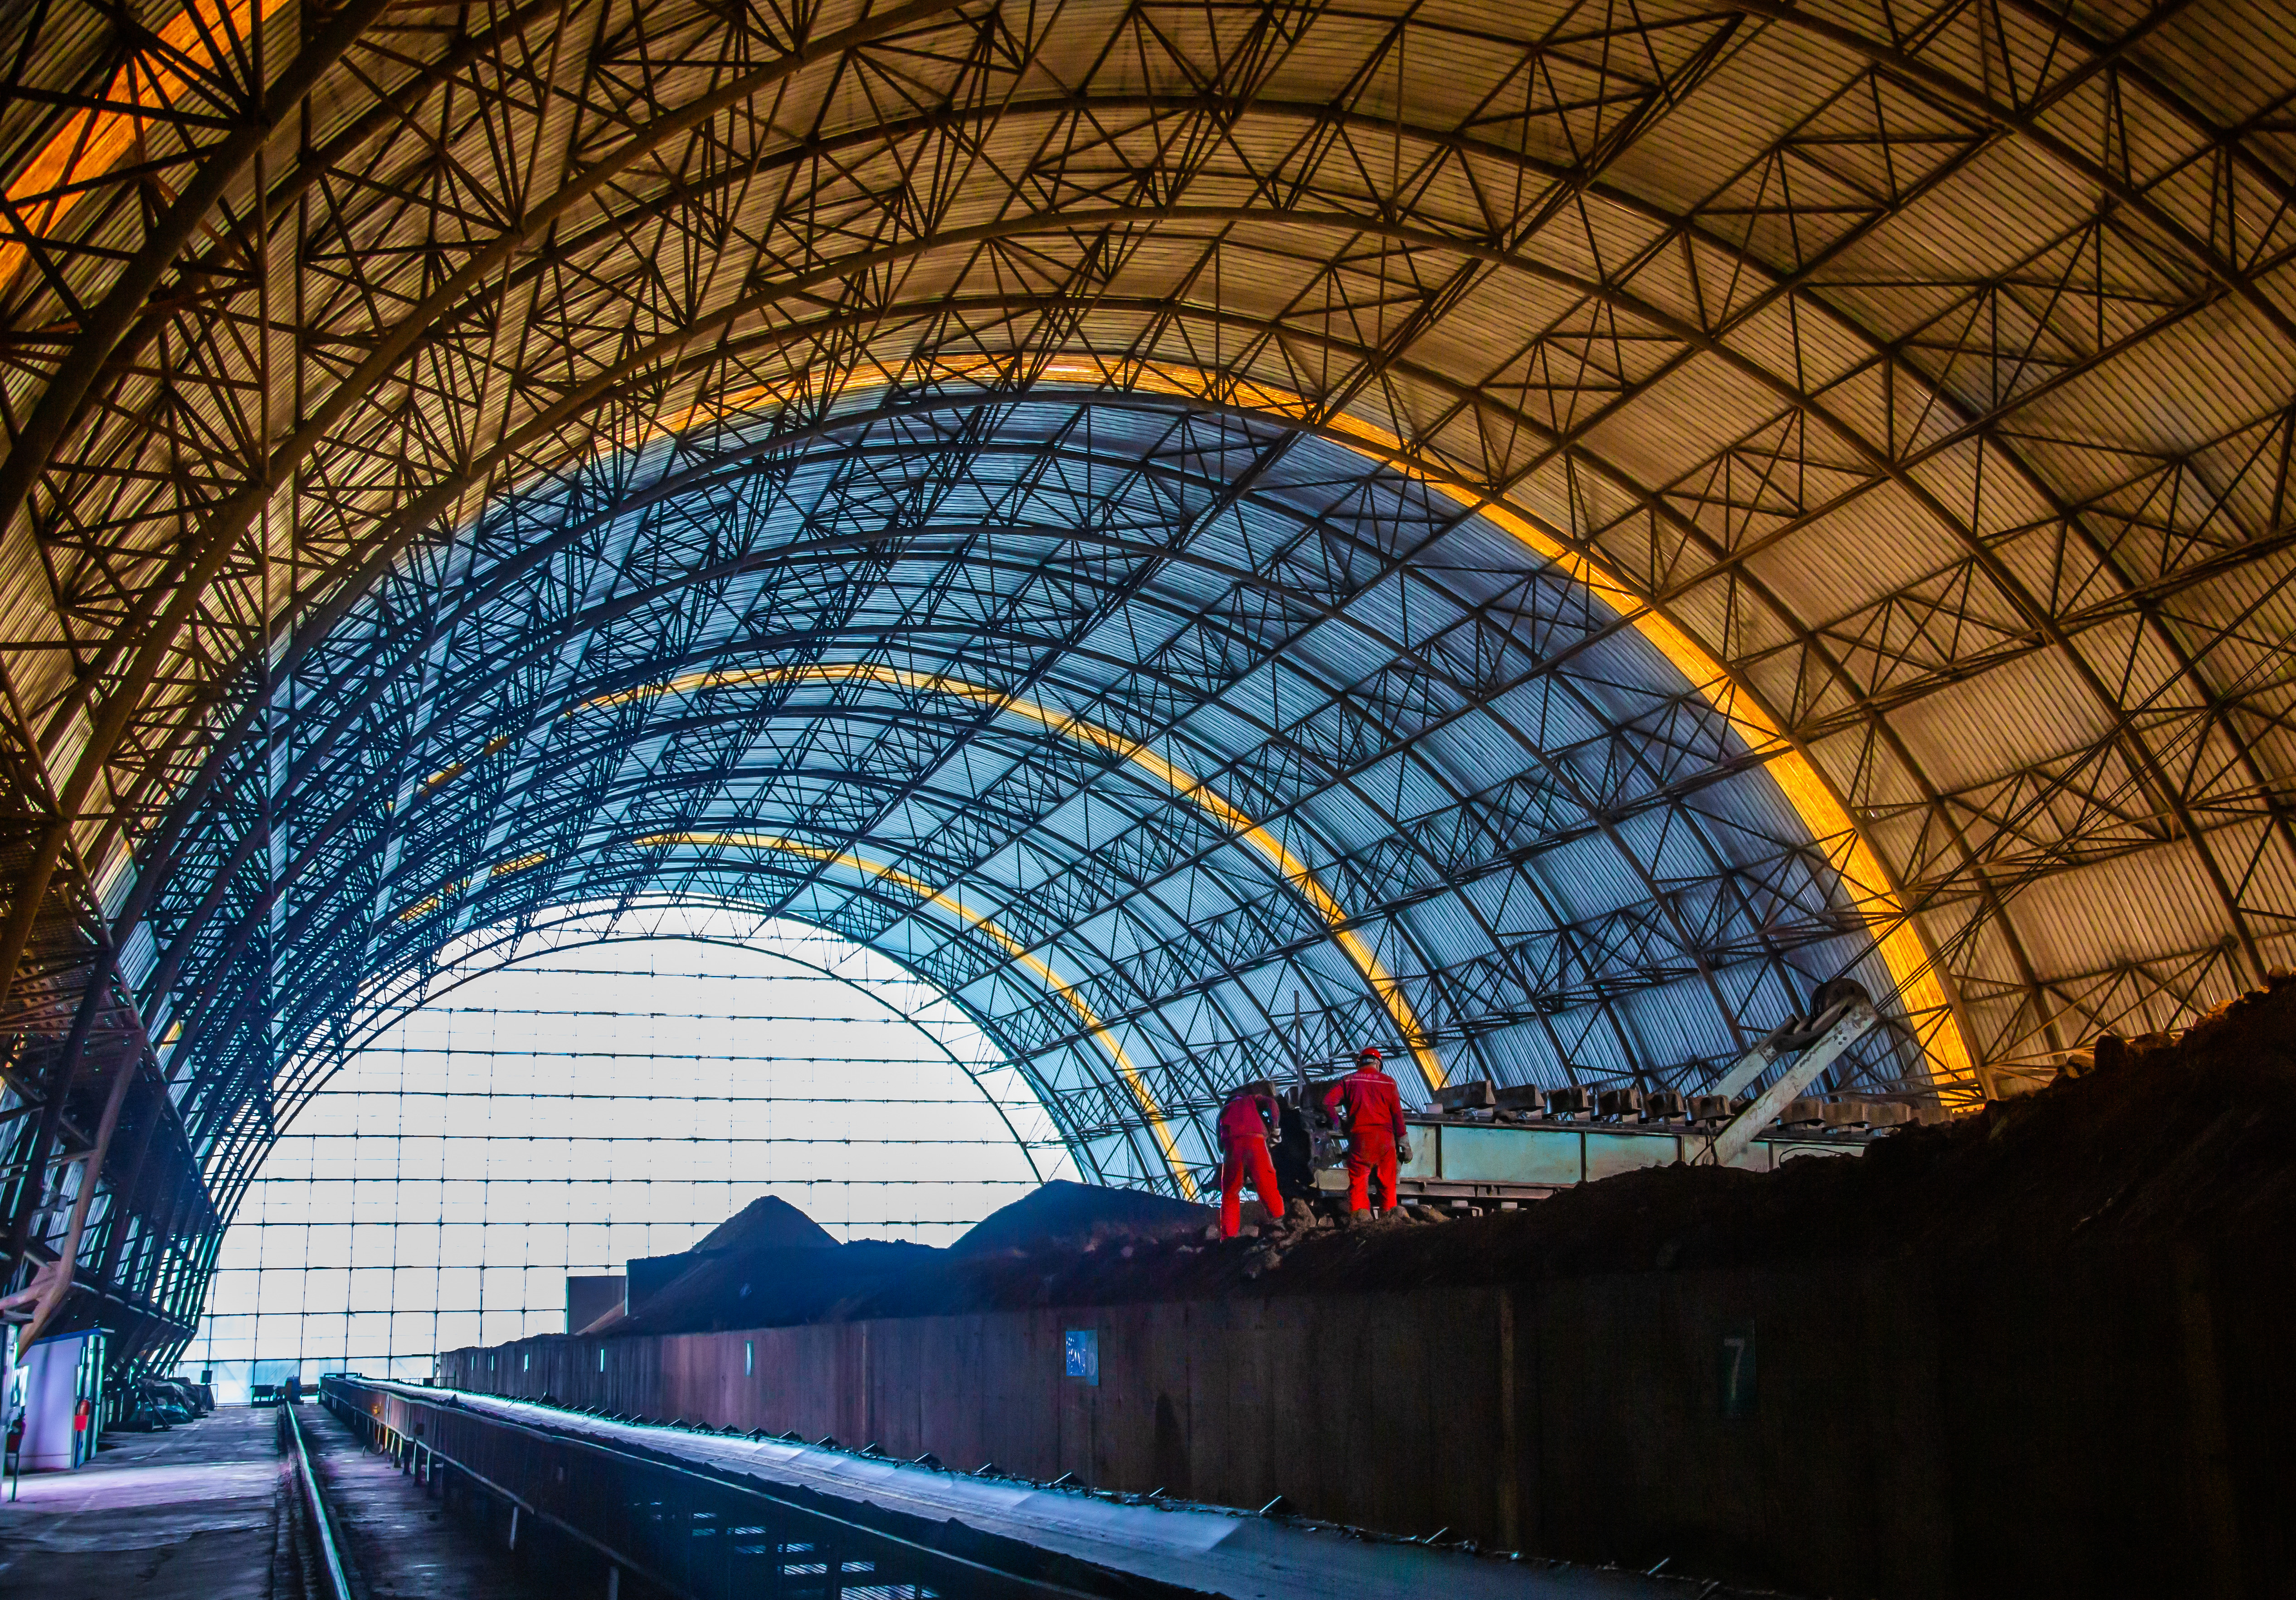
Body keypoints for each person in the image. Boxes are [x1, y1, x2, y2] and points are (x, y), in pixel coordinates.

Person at [1323, 1047, 1411, 1218]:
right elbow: (1398, 1116)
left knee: (1358, 1186)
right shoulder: (1389, 1082)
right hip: (1386, 1141)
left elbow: (1327, 1102)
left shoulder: (1348, 1081)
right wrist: (1405, 1145)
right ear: (1378, 1064)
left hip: (1360, 1140)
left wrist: (1338, 1124)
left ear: (1359, 1063)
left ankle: (1360, 1222)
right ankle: (1390, 1224)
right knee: (1387, 1186)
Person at [1215, 1079, 1286, 1239]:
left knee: (1230, 1196)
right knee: (1268, 1189)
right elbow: (1273, 1106)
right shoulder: (1254, 1100)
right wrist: (1274, 1127)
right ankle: (1281, 1227)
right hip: (1256, 1146)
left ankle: (1227, 1239)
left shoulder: (1223, 1111)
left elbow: (1220, 1146)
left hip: (1232, 1152)